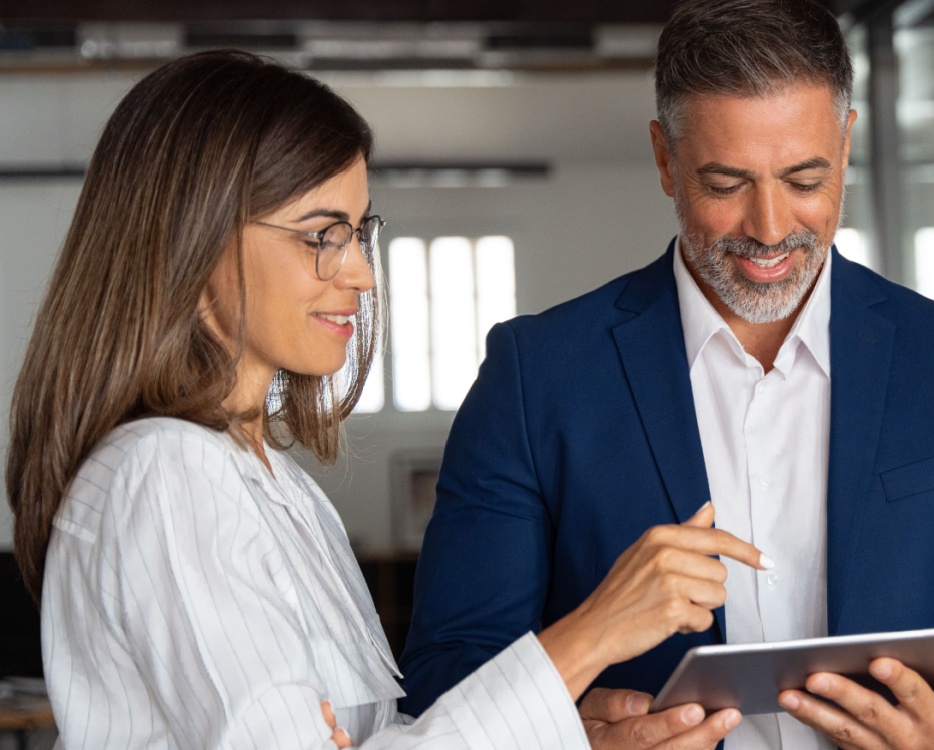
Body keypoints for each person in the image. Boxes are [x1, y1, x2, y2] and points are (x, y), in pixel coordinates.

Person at [5, 49, 760, 749]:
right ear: (197, 240)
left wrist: (564, 734)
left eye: (359, 232)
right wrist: (593, 633)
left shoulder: (278, 488)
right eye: (321, 236)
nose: (362, 274)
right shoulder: (165, 476)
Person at [398, 0, 934, 748]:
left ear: (847, 145)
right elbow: (448, 670)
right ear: (664, 158)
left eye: (803, 179)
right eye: (726, 184)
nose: (767, 228)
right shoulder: (535, 377)